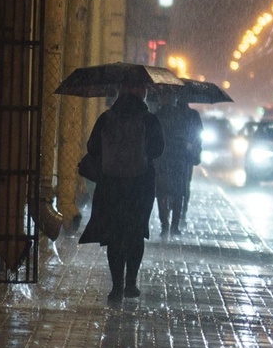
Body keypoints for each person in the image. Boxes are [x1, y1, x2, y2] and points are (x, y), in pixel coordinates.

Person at [80, 72, 165, 301]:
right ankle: (131, 283)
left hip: (112, 184)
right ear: (142, 92)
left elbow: (92, 147)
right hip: (141, 185)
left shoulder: (106, 118)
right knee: (136, 232)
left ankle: (116, 286)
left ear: (120, 90)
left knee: (116, 234)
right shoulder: (149, 120)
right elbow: (158, 150)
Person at [153, 89, 203, 236]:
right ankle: (174, 225)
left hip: (163, 157)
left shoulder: (158, 115)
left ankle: (165, 225)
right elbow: (194, 136)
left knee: (162, 190)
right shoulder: (184, 117)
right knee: (179, 191)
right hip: (180, 157)